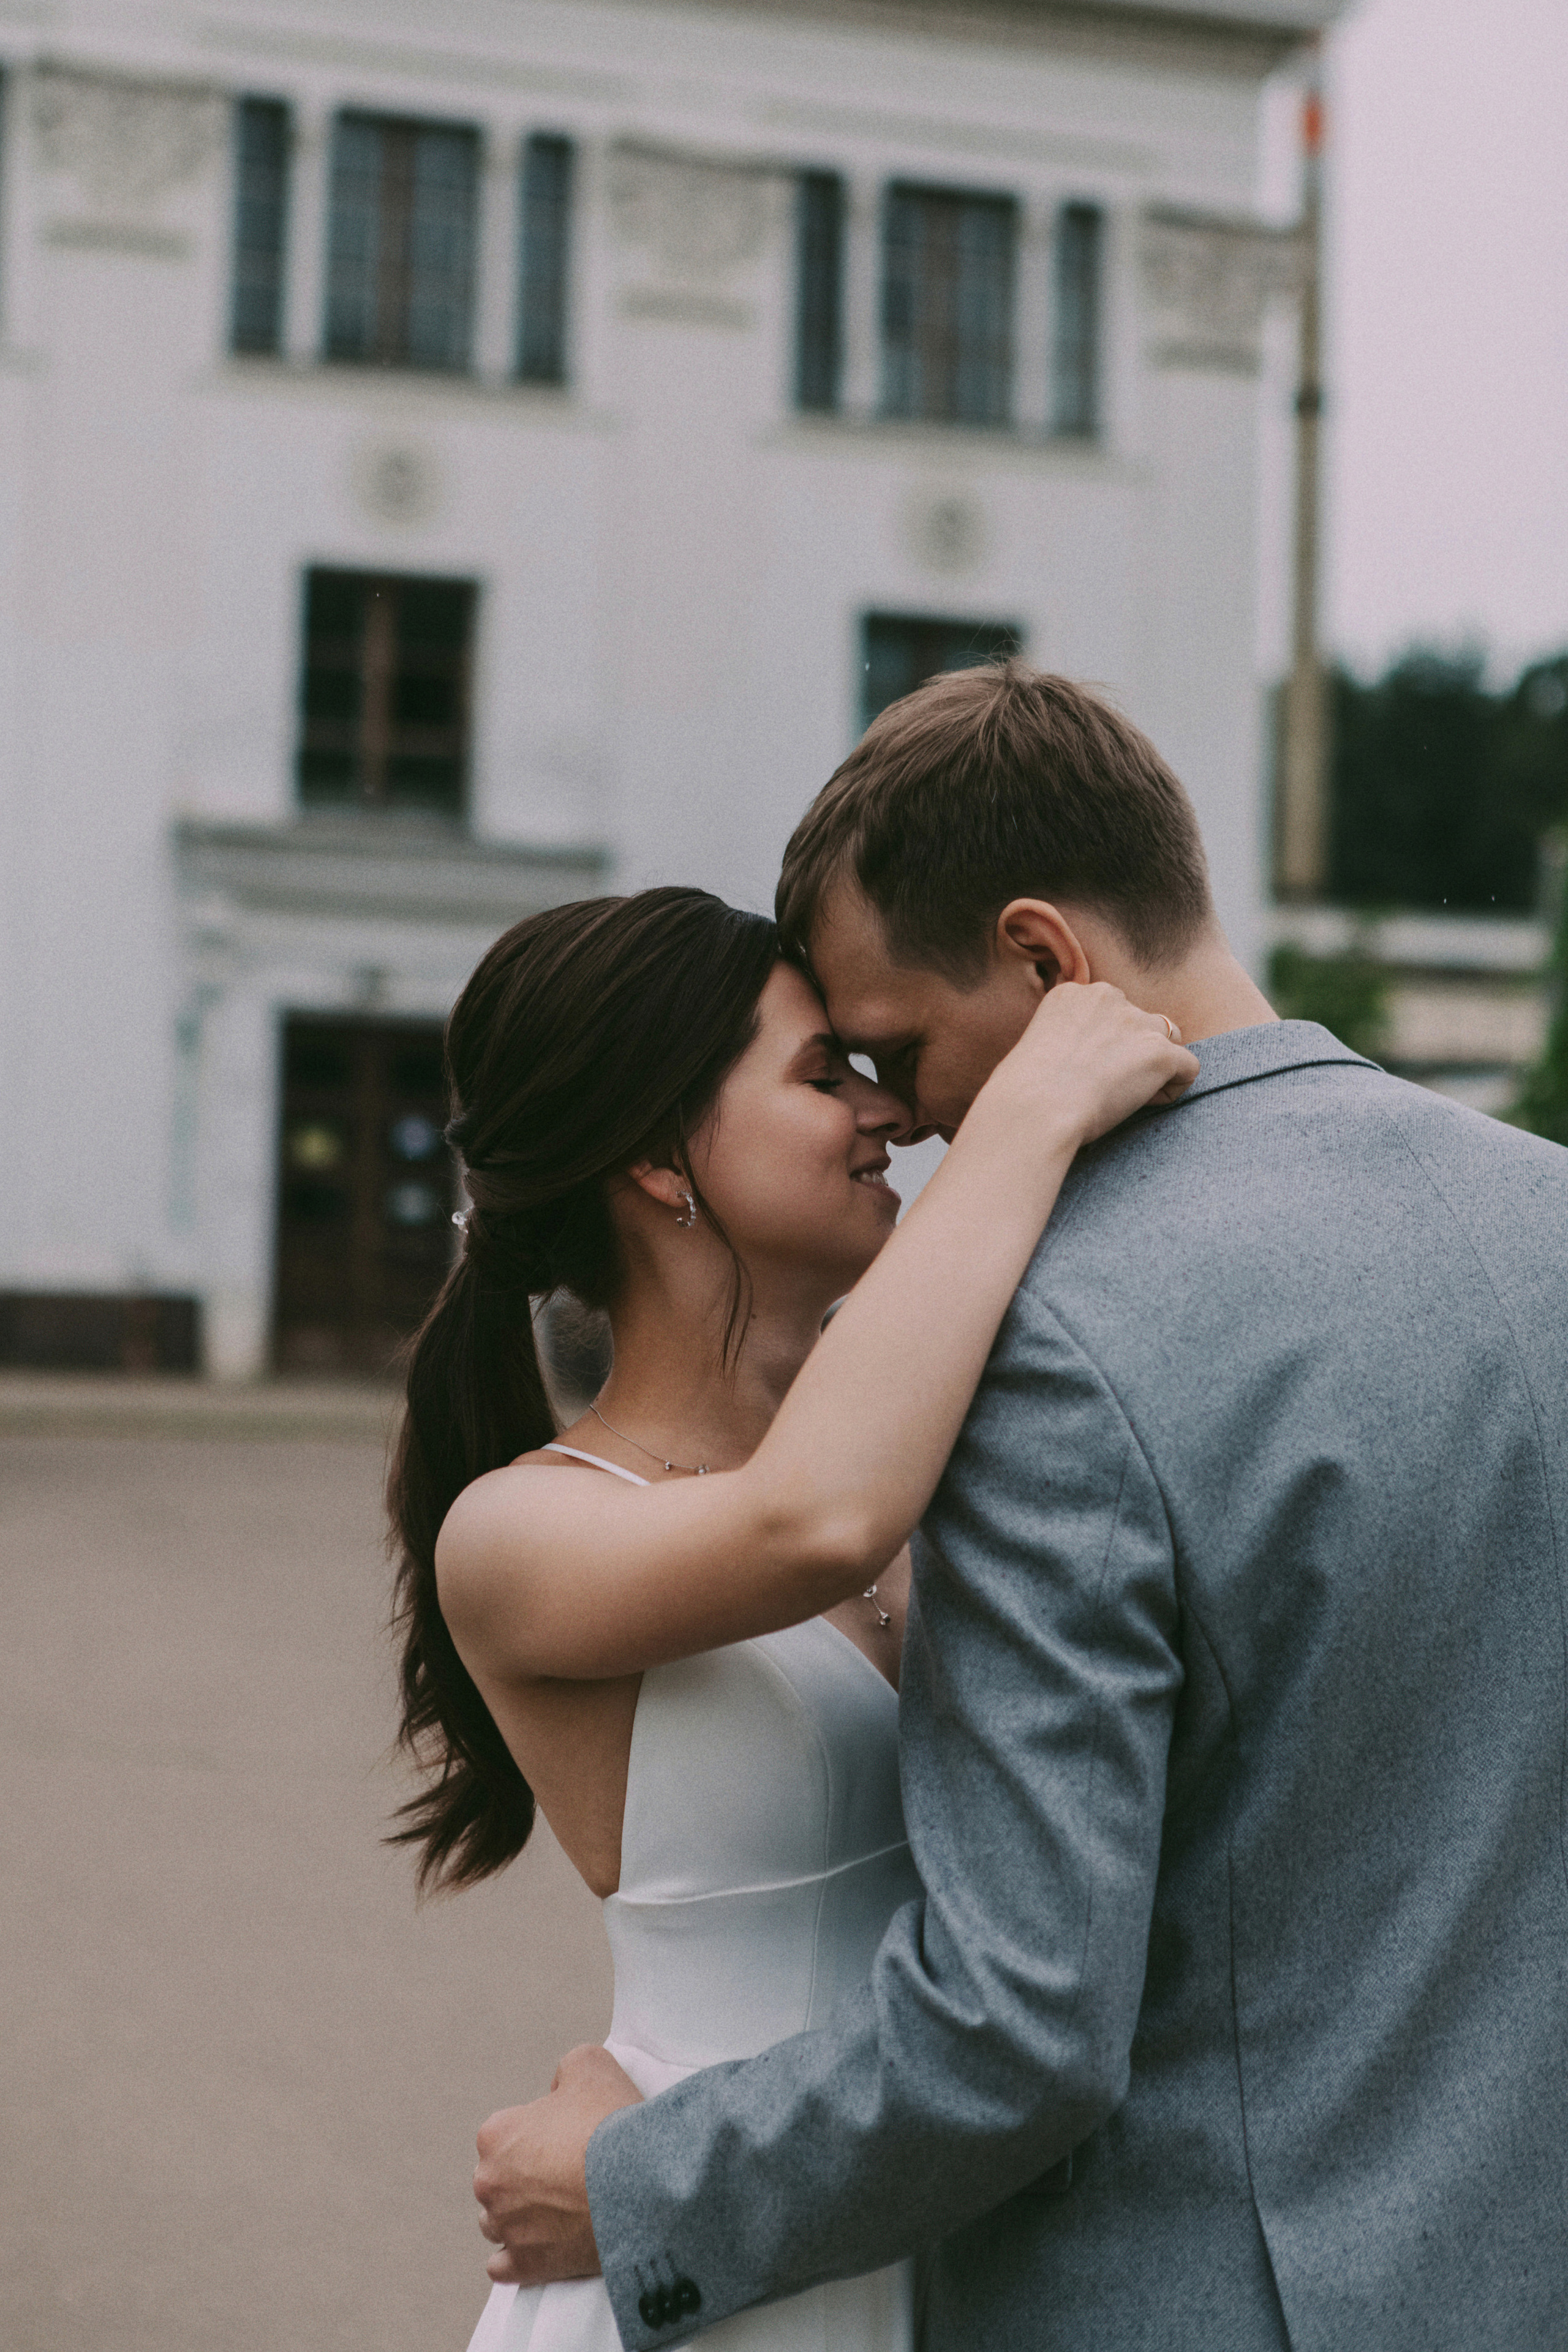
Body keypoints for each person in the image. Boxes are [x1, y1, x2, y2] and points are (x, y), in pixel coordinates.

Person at [472, 665, 1568, 2352]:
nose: (896, 1117)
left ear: (1050, 965)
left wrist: (638, 2188)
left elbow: (1024, 2024)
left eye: (892, 1051)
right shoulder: (1547, 1215)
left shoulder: (1042, 1338)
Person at [386, 878, 1195, 2352]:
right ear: (655, 1158)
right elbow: (815, 1522)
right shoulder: (518, 1534)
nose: (889, 1116)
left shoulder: (937, 1457)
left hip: (932, 2244)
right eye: (823, 1078)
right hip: (689, 2278)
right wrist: (1023, 1120)